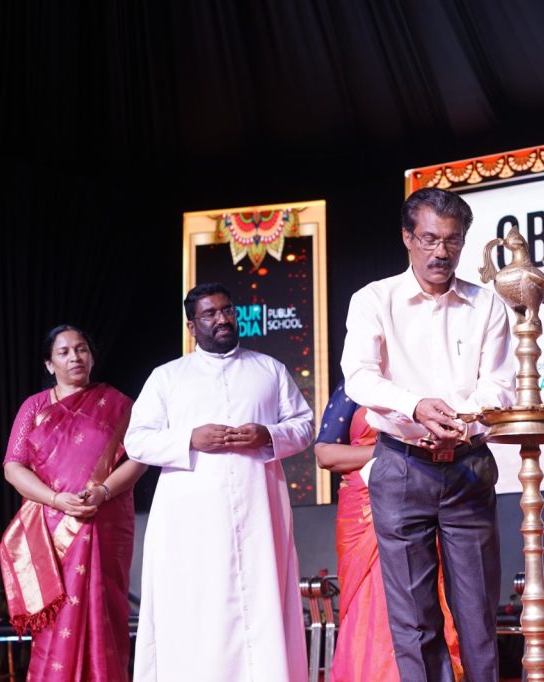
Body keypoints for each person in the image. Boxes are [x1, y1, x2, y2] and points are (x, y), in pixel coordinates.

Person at [341, 187, 514, 681]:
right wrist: (416, 406)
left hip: (468, 468)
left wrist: (457, 423)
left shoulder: (486, 305)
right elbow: (359, 376)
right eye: (430, 239)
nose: (442, 252)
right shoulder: (374, 300)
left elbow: (500, 384)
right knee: (414, 621)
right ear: (407, 238)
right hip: (401, 466)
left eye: (452, 240)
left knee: (477, 615)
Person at [125, 283, 314, 681]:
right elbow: (136, 440)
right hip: (191, 521)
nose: (222, 319)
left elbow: (304, 426)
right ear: (192, 326)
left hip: (258, 513)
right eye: (210, 314)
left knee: (260, 600)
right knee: (199, 604)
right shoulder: (167, 377)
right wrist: (190, 439)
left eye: (227, 310)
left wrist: (267, 435)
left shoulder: (269, 369)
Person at [0, 324, 146, 680]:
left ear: (92, 357)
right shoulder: (34, 407)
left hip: (105, 523)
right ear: (49, 364)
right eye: (63, 352)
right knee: (57, 621)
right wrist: (56, 500)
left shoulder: (119, 405)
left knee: (104, 613)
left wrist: (103, 491)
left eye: (81, 349)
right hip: (52, 531)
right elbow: (13, 466)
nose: (74, 357)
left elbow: (140, 458)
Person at [315, 383, 463, 682]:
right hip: (364, 509)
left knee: (426, 594)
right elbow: (325, 454)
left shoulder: (426, 379)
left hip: (425, 495)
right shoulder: (356, 385)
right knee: (370, 601)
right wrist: (397, 453)